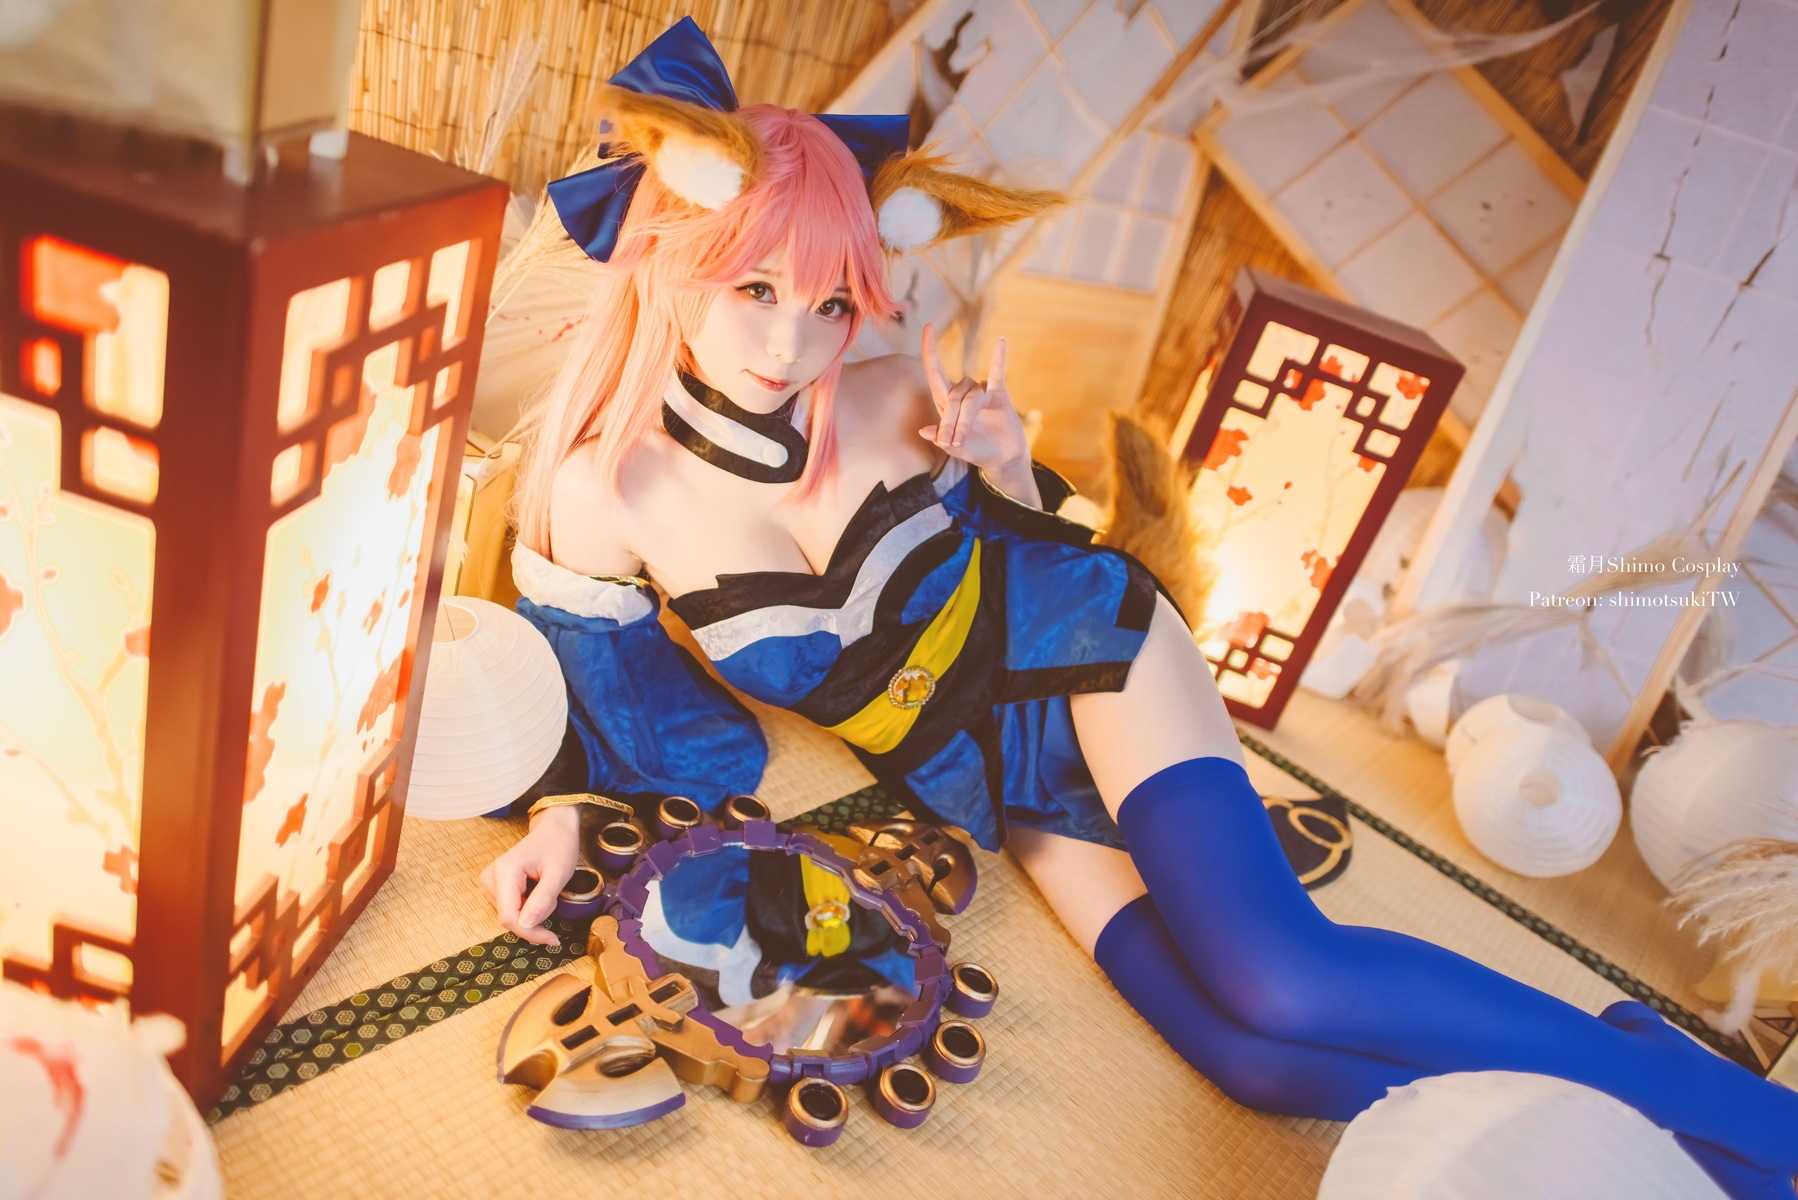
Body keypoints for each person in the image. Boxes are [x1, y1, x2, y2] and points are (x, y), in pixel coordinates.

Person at [479, 19, 1796, 1196]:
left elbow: (1050, 543)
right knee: (1252, 1060)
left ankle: (1749, 1124)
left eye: (829, 303)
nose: (790, 343)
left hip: (1083, 655)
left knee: (1285, 976)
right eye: (754, 290)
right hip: (978, 771)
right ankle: (1643, 1111)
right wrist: (562, 812)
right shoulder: (608, 493)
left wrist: (1003, 468)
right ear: (672, 258)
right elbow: (622, 699)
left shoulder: (890, 394)